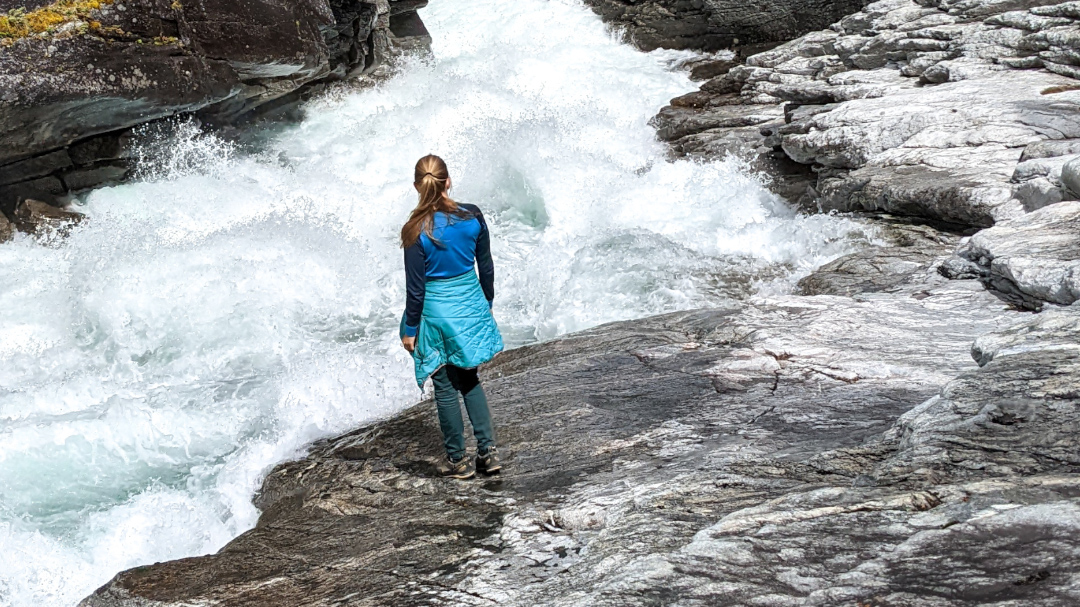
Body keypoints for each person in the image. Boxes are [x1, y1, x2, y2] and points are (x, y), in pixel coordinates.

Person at [399, 154, 505, 480]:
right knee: (469, 377)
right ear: (448, 181)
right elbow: (485, 266)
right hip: (469, 303)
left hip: (436, 312)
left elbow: (415, 291)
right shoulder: (473, 216)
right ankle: (488, 454)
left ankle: (458, 461)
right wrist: (485, 302)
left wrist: (409, 328)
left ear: (417, 186)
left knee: (444, 385)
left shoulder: (415, 231)